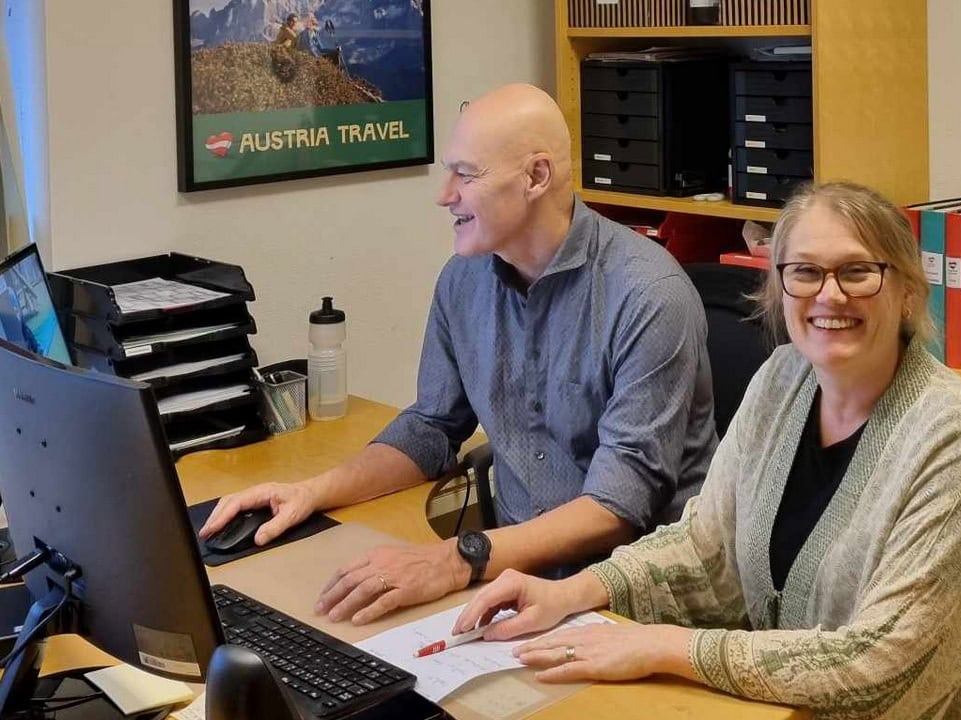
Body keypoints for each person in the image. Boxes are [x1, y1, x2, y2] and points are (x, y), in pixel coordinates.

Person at [454, 182, 961, 719]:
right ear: (779, 288)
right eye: (804, 271)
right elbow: (708, 549)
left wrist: (666, 649)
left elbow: (885, 666)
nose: (829, 295)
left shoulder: (955, 436)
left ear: (907, 292)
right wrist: (576, 592)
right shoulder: (782, 381)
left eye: (858, 271)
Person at [199, 84, 717, 626]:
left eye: (466, 175)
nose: (444, 194)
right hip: (515, 577)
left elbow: (618, 506)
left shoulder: (648, 294)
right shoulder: (463, 280)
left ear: (536, 177)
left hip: (639, 598)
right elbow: (431, 428)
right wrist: (309, 492)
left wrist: (457, 559)